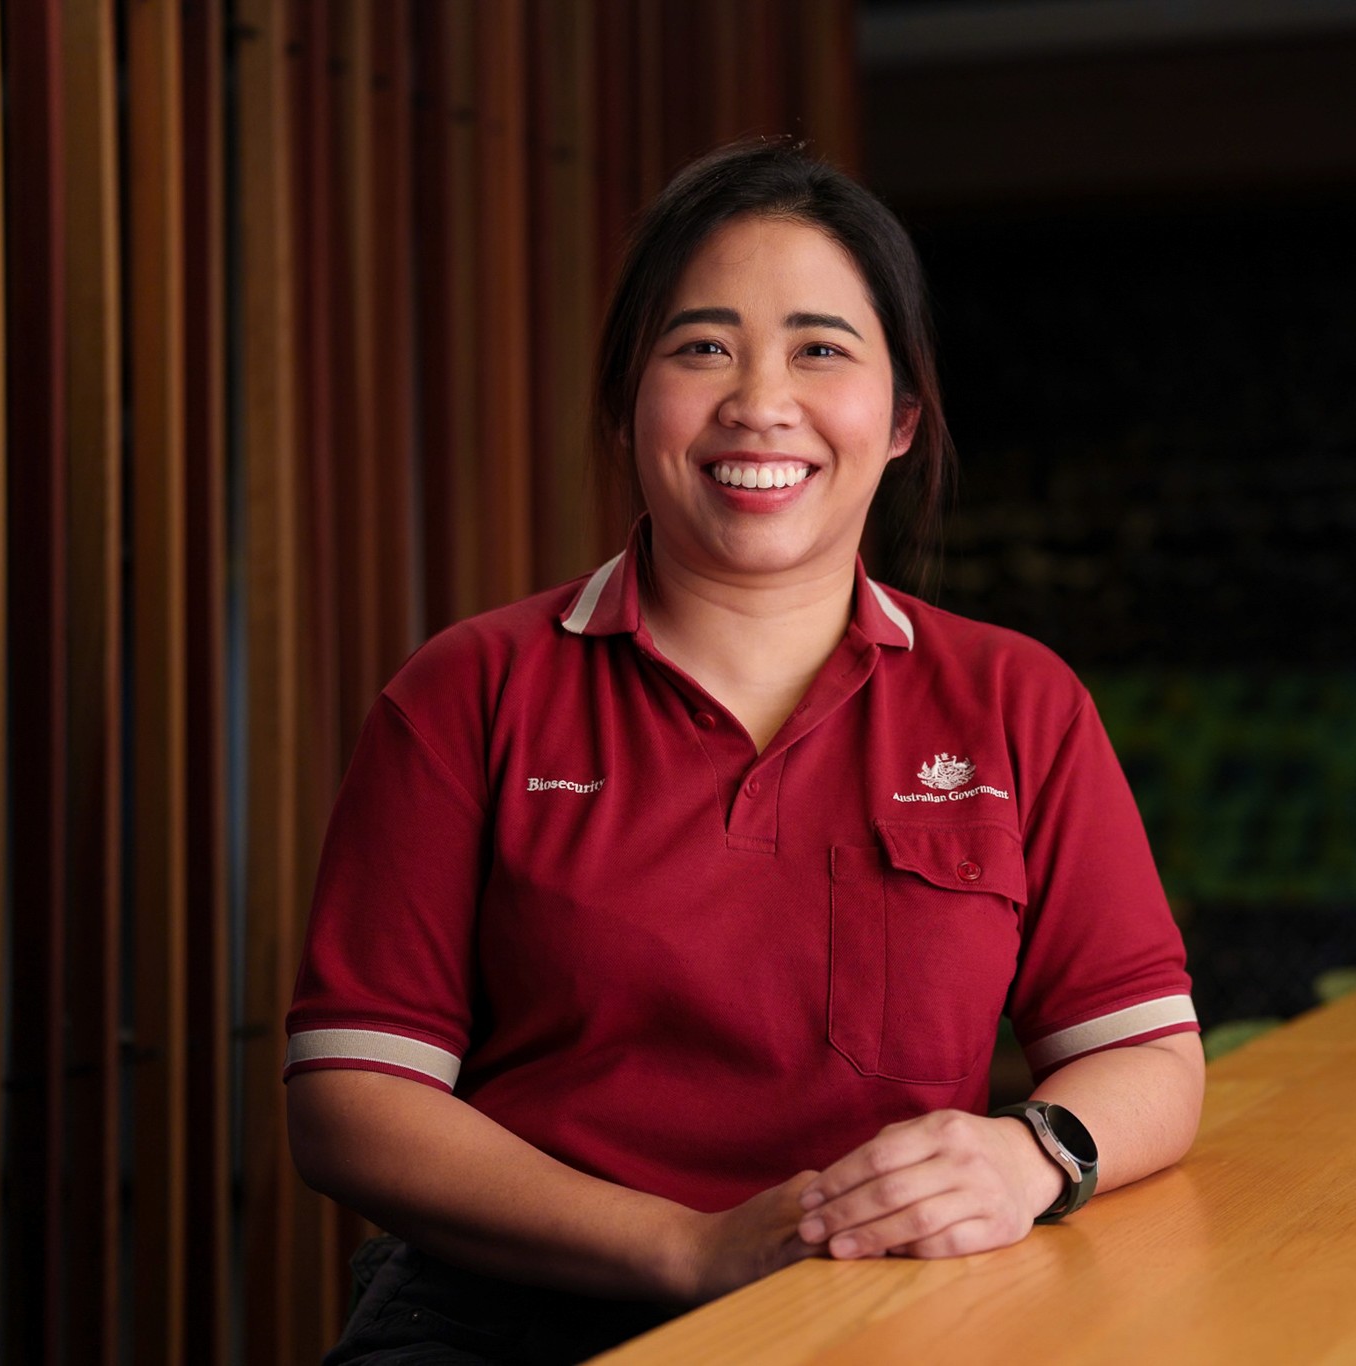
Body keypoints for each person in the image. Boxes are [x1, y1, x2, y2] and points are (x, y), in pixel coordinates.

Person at [285, 138, 1204, 1365]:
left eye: (820, 349)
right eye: (701, 347)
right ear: (627, 404)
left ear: (899, 421)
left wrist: (1030, 1153)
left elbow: (1145, 1054)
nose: (758, 402)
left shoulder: (1013, 699)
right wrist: (689, 1245)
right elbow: (352, 1099)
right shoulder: (470, 689)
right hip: (506, 1311)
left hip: (887, 1306)